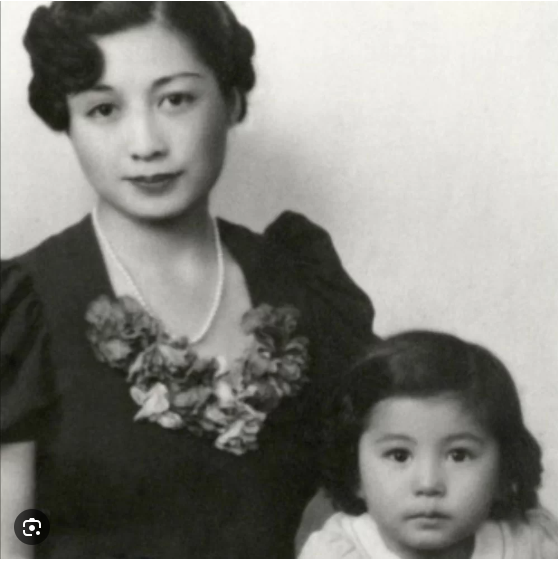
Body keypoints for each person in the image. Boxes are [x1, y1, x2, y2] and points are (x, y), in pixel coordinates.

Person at [0, 2, 377, 558]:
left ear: (231, 100)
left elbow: (367, 516)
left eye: (175, 99)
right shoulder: (22, 307)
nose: (146, 143)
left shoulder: (302, 284)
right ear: (69, 122)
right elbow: (14, 534)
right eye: (103, 109)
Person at [298, 331, 558, 558]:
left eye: (459, 455)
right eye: (399, 455)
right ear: (354, 473)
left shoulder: (531, 546)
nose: (428, 484)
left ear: (504, 472)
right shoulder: (334, 553)